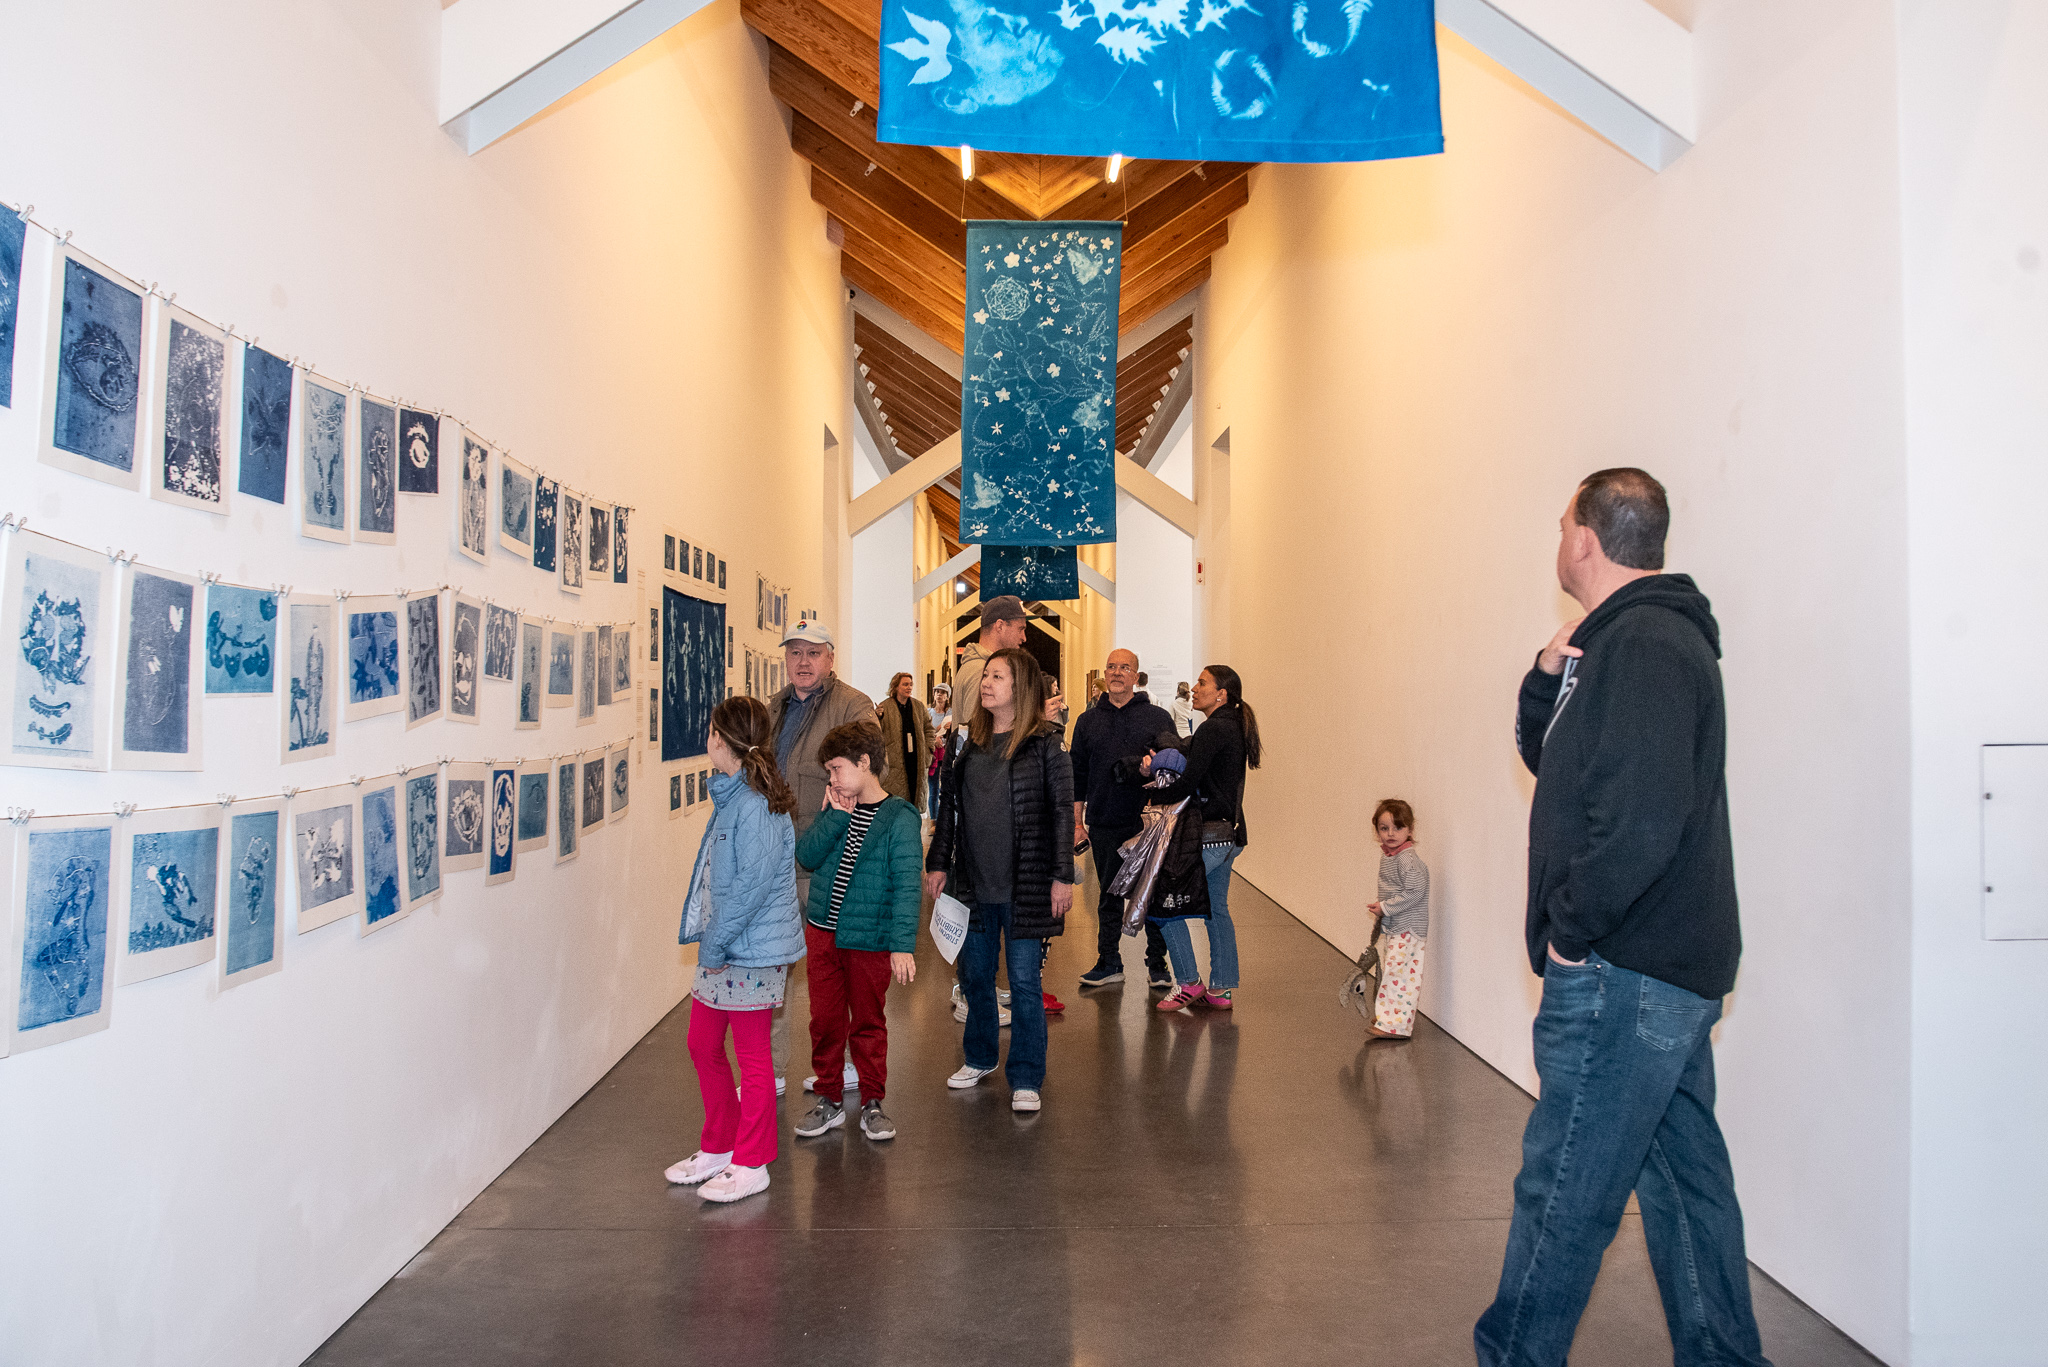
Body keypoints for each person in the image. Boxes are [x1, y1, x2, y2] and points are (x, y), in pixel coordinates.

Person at [1474, 469, 1769, 1367]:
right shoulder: (1619, 643)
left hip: (1623, 973)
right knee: (1684, 1185)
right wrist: (1543, 678)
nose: (1558, 538)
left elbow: (1640, 822)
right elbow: (1559, 762)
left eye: (1562, 522)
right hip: (1655, 974)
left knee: (1564, 1188)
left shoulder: (1643, 643)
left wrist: (1572, 934)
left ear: (1585, 538)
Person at [925, 648, 1075, 1113]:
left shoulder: (1046, 744)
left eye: (997, 676)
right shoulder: (965, 744)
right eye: (986, 675)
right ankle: (980, 1056)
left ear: (1021, 686)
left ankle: (1026, 1076)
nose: (986, 683)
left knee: (1025, 982)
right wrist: (938, 862)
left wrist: (1062, 877)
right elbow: (949, 810)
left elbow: (1062, 815)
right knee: (975, 976)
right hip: (973, 885)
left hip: (1026, 886)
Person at [667, 697, 804, 1204]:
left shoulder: (755, 805)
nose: (707, 738)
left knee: (753, 1059)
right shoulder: (732, 797)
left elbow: (749, 889)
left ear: (721, 740)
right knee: (702, 1044)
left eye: (710, 730)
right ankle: (719, 1145)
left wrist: (715, 943)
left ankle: (753, 1161)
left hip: (751, 952)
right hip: (726, 947)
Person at [791, 721, 923, 1143]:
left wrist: (902, 946)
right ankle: (828, 1098)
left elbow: (908, 884)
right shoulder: (836, 808)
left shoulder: (899, 817)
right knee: (825, 1021)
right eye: (828, 771)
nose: (831, 779)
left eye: (836, 769)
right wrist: (834, 817)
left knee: (867, 1022)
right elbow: (806, 855)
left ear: (864, 763)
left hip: (869, 938)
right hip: (822, 934)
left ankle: (872, 1102)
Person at [768, 618, 874, 1096]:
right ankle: (770, 1071)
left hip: (829, 860)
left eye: (813, 652)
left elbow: (871, 767)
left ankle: (843, 1065)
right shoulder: (773, 708)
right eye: (795, 652)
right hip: (777, 863)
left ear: (831, 658)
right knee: (774, 967)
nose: (803, 661)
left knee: (834, 969)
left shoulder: (852, 705)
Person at [1140, 665, 1261, 1012]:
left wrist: (1152, 792)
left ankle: (1189, 982)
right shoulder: (1234, 726)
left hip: (1207, 837)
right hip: (1230, 835)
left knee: (1161, 901)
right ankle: (1221, 989)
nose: (1194, 688)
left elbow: (1187, 783)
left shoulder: (1213, 728)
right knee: (1216, 909)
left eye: (1202, 683)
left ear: (1221, 694)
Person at [1069, 649, 1177, 990]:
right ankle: (1108, 962)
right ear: (1105, 674)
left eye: (1124, 668)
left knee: (1153, 893)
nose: (1117, 673)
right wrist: (1077, 823)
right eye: (1112, 667)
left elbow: (1174, 766)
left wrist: (1152, 768)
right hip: (1104, 820)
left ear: (1135, 676)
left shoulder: (1158, 717)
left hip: (1149, 823)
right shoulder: (1087, 721)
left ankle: (1157, 965)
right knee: (1109, 896)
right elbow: (1077, 775)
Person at [1363, 799, 1429, 1039]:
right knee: (1395, 972)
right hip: (1397, 926)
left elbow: (1415, 892)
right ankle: (1389, 1017)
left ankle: (1395, 1025)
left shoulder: (1407, 860)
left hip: (1408, 928)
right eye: (1384, 828)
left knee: (1399, 974)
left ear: (1410, 830)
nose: (1390, 834)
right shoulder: (1392, 856)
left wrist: (1385, 907)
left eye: (1398, 827)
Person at [952, 595, 1028, 741]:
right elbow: (978, 737)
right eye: (1020, 629)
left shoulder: (978, 666)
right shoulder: (980, 671)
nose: (1024, 637)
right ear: (1000, 626)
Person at [874, 671, 936, 808]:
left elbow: (929, 729)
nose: (909, 687)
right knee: (896, 802)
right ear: (896, 687)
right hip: (895, 763)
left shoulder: (918, 706)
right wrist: (877, 717)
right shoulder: (885, 707)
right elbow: (876, 733)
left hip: (916, 760)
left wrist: (928, 751)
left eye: (911, 684)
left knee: (915, 800)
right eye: (905, 684)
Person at [927, 684, 953, 820]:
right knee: (933, 788)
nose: (939, 695)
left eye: (942, 693)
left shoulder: (951, 713)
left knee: (947, 786)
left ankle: (945, 818)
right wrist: (935, 737)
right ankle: (934, 820)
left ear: (947, 696)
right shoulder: (928, 712)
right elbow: (925, 732)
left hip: (946, 752)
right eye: (937, 692)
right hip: (933, 754)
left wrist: (949, 727)